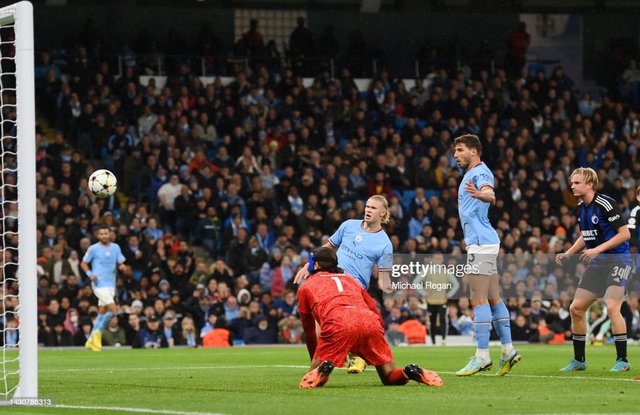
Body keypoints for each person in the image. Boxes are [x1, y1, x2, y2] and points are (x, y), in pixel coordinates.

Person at [297, 247, 443, 389]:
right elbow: (375, 310)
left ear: (315, 265)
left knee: (313, 377)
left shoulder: (306, 287)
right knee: (389, 376)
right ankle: (408, 372)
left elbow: (309, 332)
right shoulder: (351, 279)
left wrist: (314, 359)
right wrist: (379, 336)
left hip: (338, 321)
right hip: (369, 321)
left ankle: (324, 369)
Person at [294, 194, 393, 373]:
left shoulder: (385, 244)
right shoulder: (348, 225)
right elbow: (327, 248)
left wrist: (389, 292)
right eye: (367, 206)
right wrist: (308, 265)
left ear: (382, 213)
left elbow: (384, 279)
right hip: (330, 283)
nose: (368, 210)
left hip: (353, 289)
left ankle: (353, 358)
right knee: (320, 332)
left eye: (373, 208)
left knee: (347, 328)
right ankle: (328, 365)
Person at [452, 134, 521, 376]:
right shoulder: (474, 173)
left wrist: (483, 194)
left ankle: (482, 356)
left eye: (460, 150)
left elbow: (490, 194)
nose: (455, 155)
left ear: (473, 151)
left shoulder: (479, 173)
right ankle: (508, 350)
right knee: (493, 297)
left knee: (477, 298)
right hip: (484, 242)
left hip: (481, 244)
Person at [556, 167, 632, 372]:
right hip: (598, 264)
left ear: (590, 184)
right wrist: (568, 253)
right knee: (576, 309)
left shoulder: (606, 204)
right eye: (572, 182)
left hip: (618, 260)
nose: (572, 186)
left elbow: (625, 234)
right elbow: (585, 235)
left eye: (576, 182)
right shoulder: (581, 208)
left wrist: (597, 249)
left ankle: (622, 360)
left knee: (612, 306)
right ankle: (579, 360)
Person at [81, 225, 126, 351]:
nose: (104, 236)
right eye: (101, 234)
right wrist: (90, 274)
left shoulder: (116, 247)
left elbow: (120, 262)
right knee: (113, 310)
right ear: (98, 236)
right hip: (99, 285)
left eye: (106, 233)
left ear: (109, 234)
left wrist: (122, 267)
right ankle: (98, 333)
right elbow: (83, 263)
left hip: (111, 285)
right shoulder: (93, 249)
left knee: (103, 311)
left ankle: (90, 341)